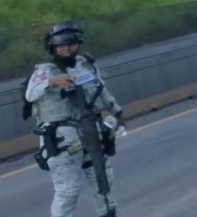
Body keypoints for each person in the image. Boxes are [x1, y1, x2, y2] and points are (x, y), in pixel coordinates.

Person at [25, 21, 124, 217]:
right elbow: (30, 94)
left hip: (91, 131)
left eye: (70, 44)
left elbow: (101, 91)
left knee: (103, 181)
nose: (66, 48)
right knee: (67, 192)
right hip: (62, 138)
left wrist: (118, 114)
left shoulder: (85, 65)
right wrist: (52, 82)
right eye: (61, 45)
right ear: (53, 47)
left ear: (78, 44)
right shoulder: (44, 71)